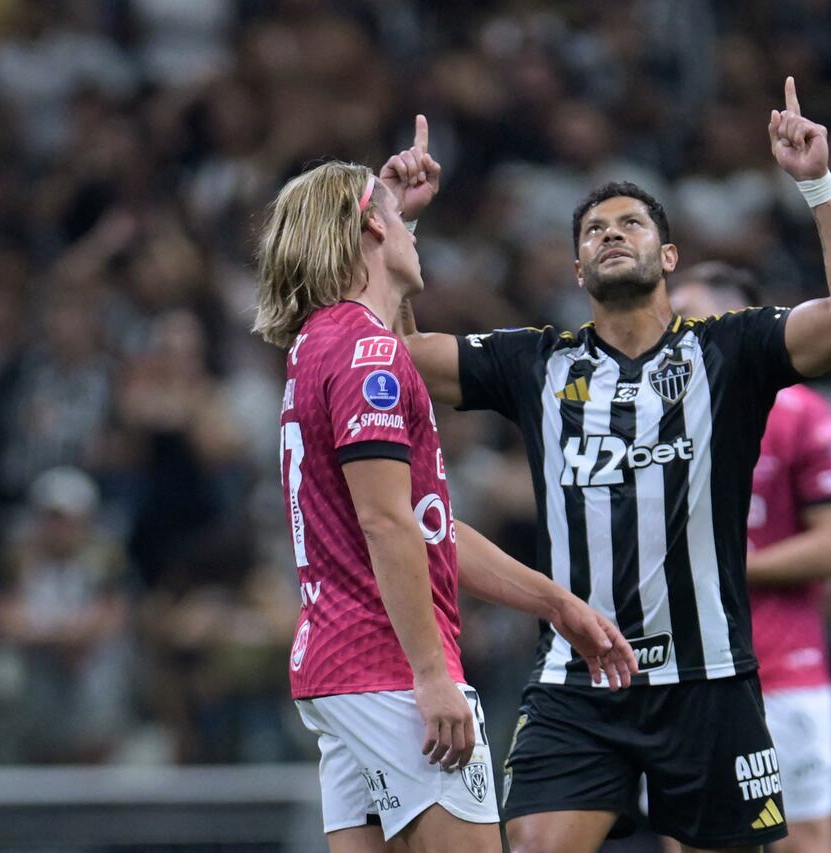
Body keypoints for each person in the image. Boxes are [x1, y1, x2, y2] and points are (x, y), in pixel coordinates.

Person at [402, 78, 831, 852]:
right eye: (594, 230)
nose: (611, 234)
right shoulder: (537, 362)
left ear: (667, 256)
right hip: (577, 683)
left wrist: (817, 184)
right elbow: (399, 358)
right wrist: (400, 230)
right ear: (577, 269)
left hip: (709, 681)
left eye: (630, 223)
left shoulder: (729, 350)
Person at [252, 125, 637, 853]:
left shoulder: (321, 343)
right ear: (369, 227)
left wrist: (557, 603)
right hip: (389, 666)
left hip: (339, 671)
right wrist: (432, 676)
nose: (411, 234)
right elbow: (388, 525)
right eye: (395, 220)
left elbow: (426, 528)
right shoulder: (367, 353)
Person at [667, 265, 831, 853]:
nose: (670, 330)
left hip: (782, 671)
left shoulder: (799, 412)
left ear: (733, 321)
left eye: (686, 315)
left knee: (802, 842)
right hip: (681, 675)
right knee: (693, 844)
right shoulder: (649, 415)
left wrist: (724, 565)